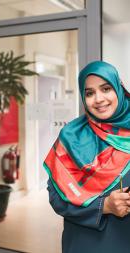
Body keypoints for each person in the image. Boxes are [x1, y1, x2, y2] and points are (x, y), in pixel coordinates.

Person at [43, 61, 130, 253]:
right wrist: (103, 206)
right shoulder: (72, 136)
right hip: (84, 243)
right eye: (89, 93)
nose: (98, 99)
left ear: (118, 89)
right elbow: (56, 198)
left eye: (106, 89)